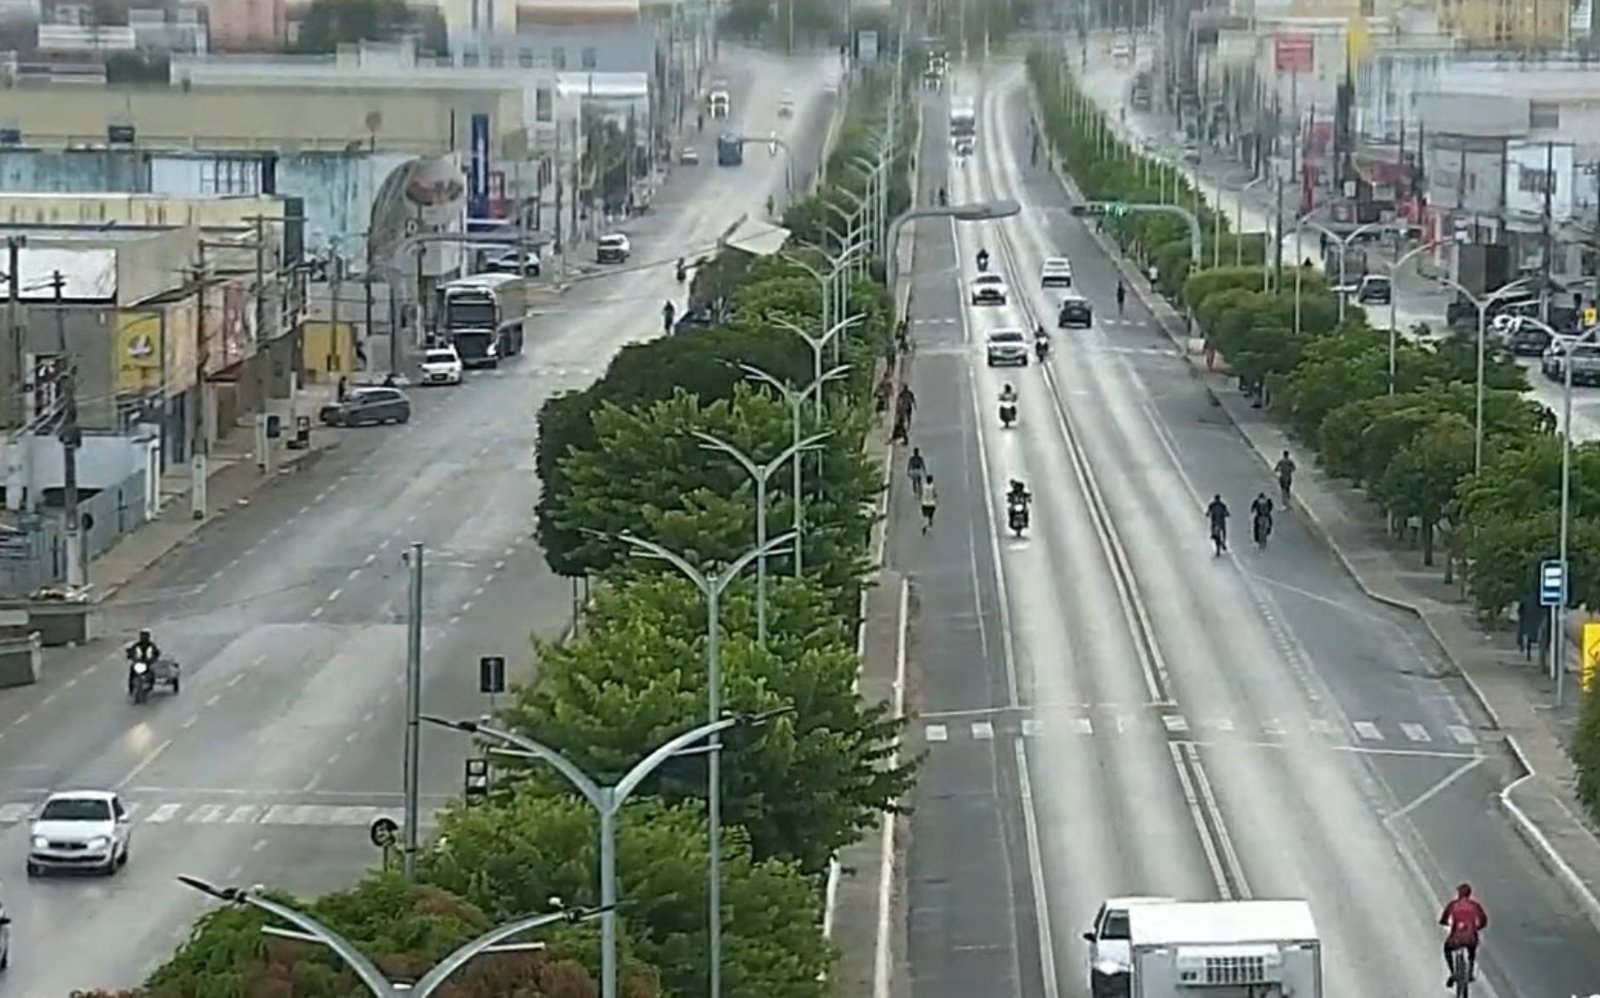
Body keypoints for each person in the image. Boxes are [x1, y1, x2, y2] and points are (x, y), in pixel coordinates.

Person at [1441, 884, 1488, 989]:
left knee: (1447, 949)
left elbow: (1443, 919)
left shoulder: (1453, 905)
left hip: (1456, 939)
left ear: (1459, 893)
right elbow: (1484, 921)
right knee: (1472, 951)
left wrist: (1445, 923)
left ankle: (1453, 972)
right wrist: (1477, 928)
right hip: (1471, 939)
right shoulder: (1475, 905)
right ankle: (1470, 972)